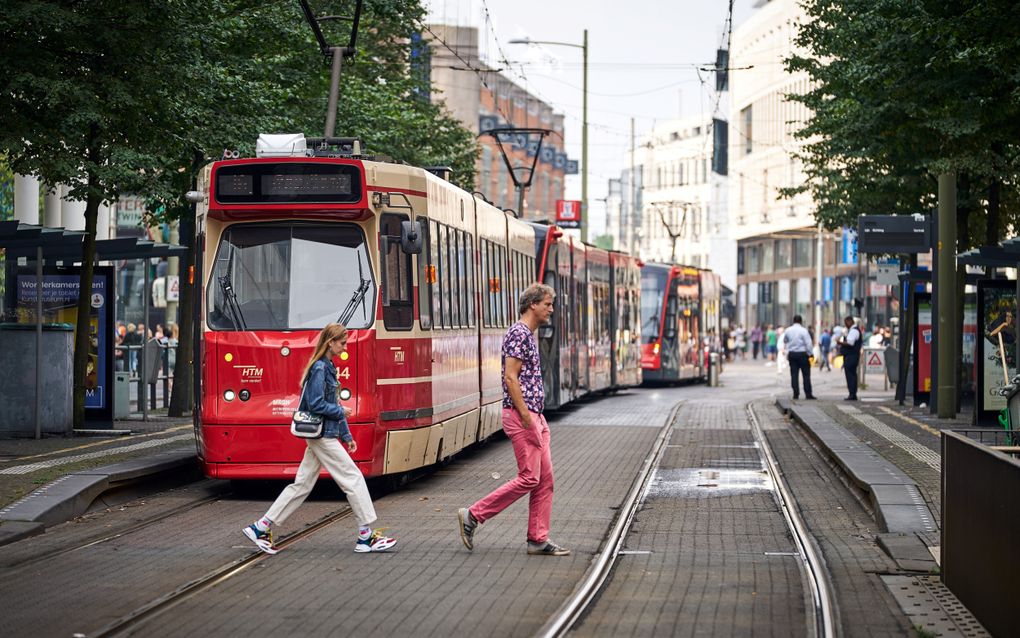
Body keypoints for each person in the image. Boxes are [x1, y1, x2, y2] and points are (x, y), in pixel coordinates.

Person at [242, 323, 396, 555]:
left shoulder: (327, 367)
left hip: (323, 434)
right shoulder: (320, 369)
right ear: (330, 342)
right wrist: (340, 414)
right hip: (322, 434)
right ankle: (365, 537)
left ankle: (261, 527)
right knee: (352, 478)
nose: (344, 347)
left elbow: (332, 402)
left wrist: (346, 434)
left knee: (302, 485)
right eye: (342, 343)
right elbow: (316, 404)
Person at [457, 283, 568, 556]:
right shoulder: (518, 333)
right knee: (530, 477)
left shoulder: (528, 334)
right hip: (523, 415)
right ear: (533, 304)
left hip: (534, 415)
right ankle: (473, 515)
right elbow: (510, 377)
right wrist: (527, 417)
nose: (550, 310)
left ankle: (538, 539)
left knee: (545, 479)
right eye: (547, 304)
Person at [783, 315, 815, 400]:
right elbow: (808, 344)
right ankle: (808, 394)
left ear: (793, 321)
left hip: (792, 355)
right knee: (806, 375)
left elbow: (785, 340)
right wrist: (810, 354)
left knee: (794, 374)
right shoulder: (804, 331)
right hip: (802, 355)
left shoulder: (788, 330)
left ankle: (795, 394)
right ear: (801, 321)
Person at [837, 316, 863, 400]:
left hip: (851, 356)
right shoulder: (853, 330)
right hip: (852, 356)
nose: (845, 325)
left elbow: (850, 343)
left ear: (849, 321)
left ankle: (852, 394)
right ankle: (852, 393)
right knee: (851, 374)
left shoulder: (854, 331)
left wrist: (840, 343)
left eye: (846, 323)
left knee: (850, 375)